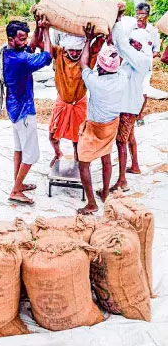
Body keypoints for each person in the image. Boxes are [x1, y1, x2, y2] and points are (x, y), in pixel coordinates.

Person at [0, 17, 53, 205]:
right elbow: (47, 56)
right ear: (11, 39)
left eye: (26, 38)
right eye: (21, 39)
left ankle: (18, 183)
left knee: (19, 149)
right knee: (31, 154)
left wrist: (37, 27)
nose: (26, 42)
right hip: (24, 110)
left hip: (13, 107)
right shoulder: (20, 60)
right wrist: (46, 31)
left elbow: (32, 46)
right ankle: (15, 190)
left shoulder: (6, 51)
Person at [76, 25, 127, 215]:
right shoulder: (122, 78)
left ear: (101, 68)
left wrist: (87, 40)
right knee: (106, 159)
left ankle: (91, 203)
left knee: (84, 163)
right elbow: (116, 57)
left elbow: (83, 64)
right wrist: (110, 39)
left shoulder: (95, 82)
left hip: (95, 128)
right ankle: (105, 193)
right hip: (112, 124)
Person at [48, 33, 103, 167]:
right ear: (65, 49)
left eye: (78, 51)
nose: (74, 53)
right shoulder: (59, 53)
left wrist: (94, 36)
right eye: (71, 50)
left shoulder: (87, 56)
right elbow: (44, 47)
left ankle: (77, 158)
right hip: (62, 101)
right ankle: (58, 153)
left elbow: (99, 43)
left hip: (79, 102)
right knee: (52, 135)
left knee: (78, 138)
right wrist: (43, 28)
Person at [110, 21, 152, 193]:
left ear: (139, 45)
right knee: (130, 137)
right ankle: (134, 165)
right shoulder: (133, 58)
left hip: (128, 107)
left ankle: (122, 180)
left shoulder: (140, 59)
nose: (131, 44)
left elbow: (123, 47)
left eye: (134, 42)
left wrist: (118, 22)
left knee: (121, 141)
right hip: (128, 104)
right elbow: (121, 48)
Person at [125, 3, 160, 175]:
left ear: (147, 14)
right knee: (129, 134)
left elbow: (156, 51)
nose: (139, 17)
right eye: (137, 14)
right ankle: (134, 165)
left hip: (143, 68)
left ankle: (137, 115)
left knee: (143, 93)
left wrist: (144, 55)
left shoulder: (152, 31)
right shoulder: (130, 29)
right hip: (133, 66)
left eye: (142, 14)